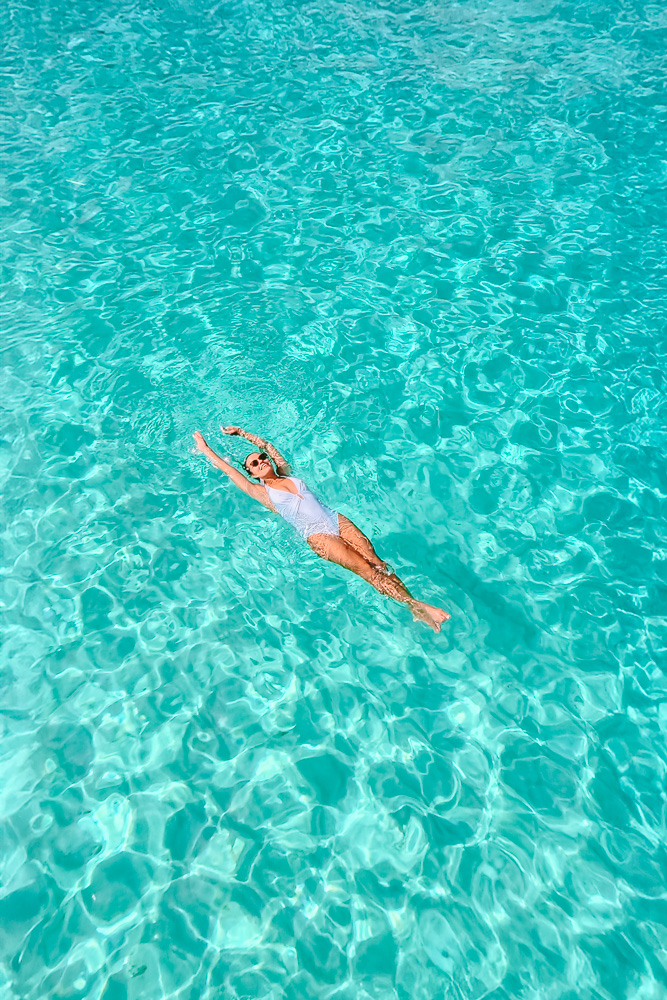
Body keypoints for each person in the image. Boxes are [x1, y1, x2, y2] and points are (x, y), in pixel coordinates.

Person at [192, 425, 451, 632]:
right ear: (252, 474)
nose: (261, 461)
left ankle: (416, 608)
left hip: (336, 519)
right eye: (254, 464)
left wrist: (243, 434)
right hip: (319, 536)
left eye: (261, 459)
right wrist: (205, 449)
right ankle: (416, 606)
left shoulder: (285, 472)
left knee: (377, 562)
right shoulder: (263, 493)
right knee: (366, 571)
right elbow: (228, 469)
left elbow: (269, 446)